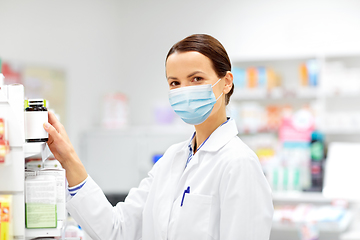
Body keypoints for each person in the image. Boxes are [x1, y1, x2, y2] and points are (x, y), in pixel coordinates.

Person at [44, 34, 274, 240]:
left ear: (226, 82)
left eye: (196, 79)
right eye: (175, 83)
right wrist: (68, 159)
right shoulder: (171, 160)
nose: (184, 90)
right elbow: (116, 230)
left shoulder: (239, 163)